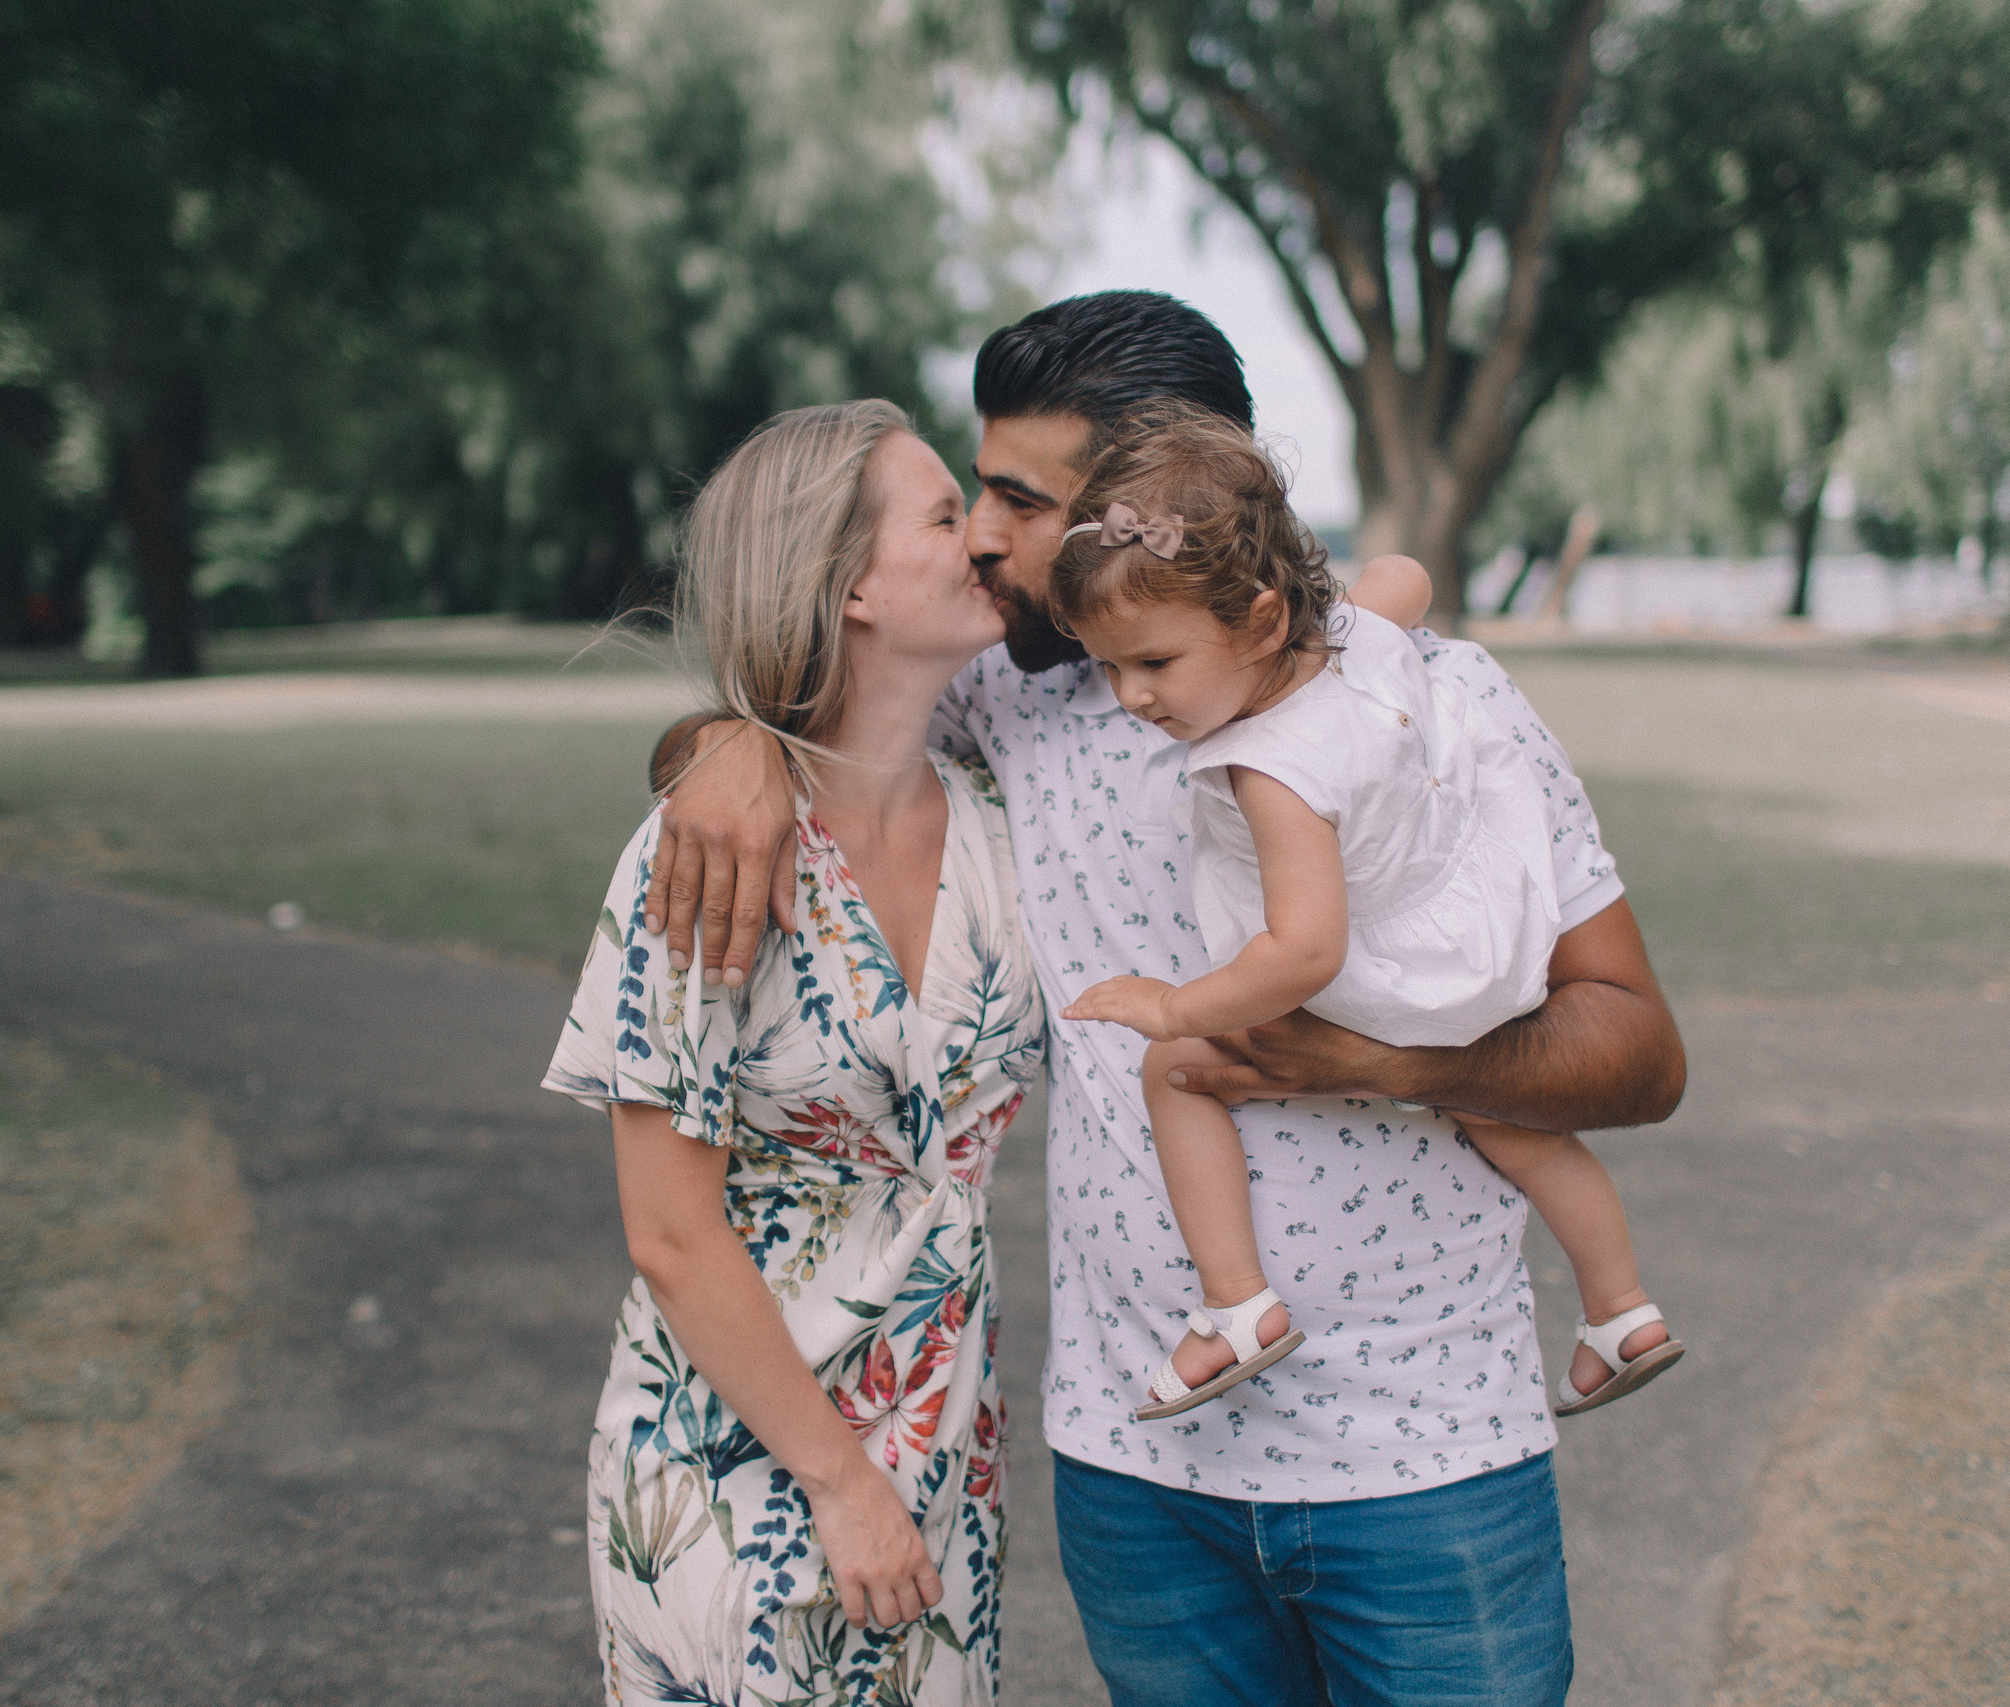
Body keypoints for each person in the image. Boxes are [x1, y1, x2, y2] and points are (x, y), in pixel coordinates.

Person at [647, 292, 1686, 1706]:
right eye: (977, 490)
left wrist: (1361, 1055)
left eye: (1023, 498)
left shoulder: (1431, 702)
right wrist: (721, 746)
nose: (988, 538)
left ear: (1159, 497)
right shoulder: (1006, 705)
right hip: (1139, 1470)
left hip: (1428, 1457)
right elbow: (812, 711)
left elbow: (1638, 1049)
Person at [542, 400, 1046, 1704]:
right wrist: (838, 1479)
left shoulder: (1003, 824)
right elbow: (669, 1229)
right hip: (737, 1476)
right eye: (946, 515)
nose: (987, 537)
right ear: (851, 585)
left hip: (944, 1469)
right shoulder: (703, 854)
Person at [1048, 403, 1684, 1423]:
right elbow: (1405, 576)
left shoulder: (1272, 768)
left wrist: (1177, 1007)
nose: (1130, 698)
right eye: (1107, 666)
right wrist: (1318, 604)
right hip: (1481, 938)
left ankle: (1236, 1305)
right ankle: (1621, 1309)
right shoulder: (1361, 638)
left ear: (1258, 622)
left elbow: (1303, 950)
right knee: (1497, 1111)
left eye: (1155, 664)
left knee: (1174, 1075)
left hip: (1387, 974)